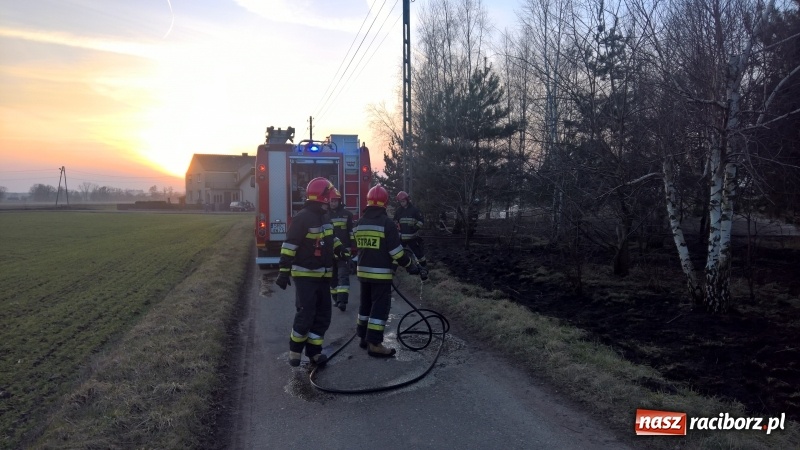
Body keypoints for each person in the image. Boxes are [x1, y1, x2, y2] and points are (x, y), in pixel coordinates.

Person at [275, 177, 349, 367]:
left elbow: (332, 239)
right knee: (306, 313)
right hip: (306, 276)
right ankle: (295, 351)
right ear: (321, 198)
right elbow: (289, 247)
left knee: (323, 315)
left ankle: (314, 352)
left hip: (324, 276)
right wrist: (283, 272)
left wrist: (340, 249)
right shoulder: (302, 218)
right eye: (328, 199)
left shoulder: (325, 218)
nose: (331, 203)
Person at [354, 185, 424, 358]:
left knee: (365, 306)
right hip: (380, 274)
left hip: (363, 273)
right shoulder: (387, 224)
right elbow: (397, 253)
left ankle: (363, 337)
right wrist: (410, 266)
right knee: (380, 307)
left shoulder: (359, 223)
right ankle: (375, 344)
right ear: (385, 203)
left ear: (369, 201)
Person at [328, 187, 355, 312]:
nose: (333, 203)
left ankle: (342, 301)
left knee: (343, 276)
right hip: (329, 252)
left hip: (344, 250)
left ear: (339, 201)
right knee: (332, 278)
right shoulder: (324, 215)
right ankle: (335, 299)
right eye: (331, 201)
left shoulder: (347, 214)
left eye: (335, 201)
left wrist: (353, 248)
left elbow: (351, 232)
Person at [393, 191, 427, 266]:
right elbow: (395, 221)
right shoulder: (398, 211)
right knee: (397, 254)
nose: (402, 203)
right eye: (400, 202)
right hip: (402, 238)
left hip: (412, 237)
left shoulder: (414, 210)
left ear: (407, 200)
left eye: (403, 201)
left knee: (419, 254)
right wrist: (396, 227)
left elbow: (421, 221)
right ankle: (393, 270)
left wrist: (415, 228)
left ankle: (424, 268)